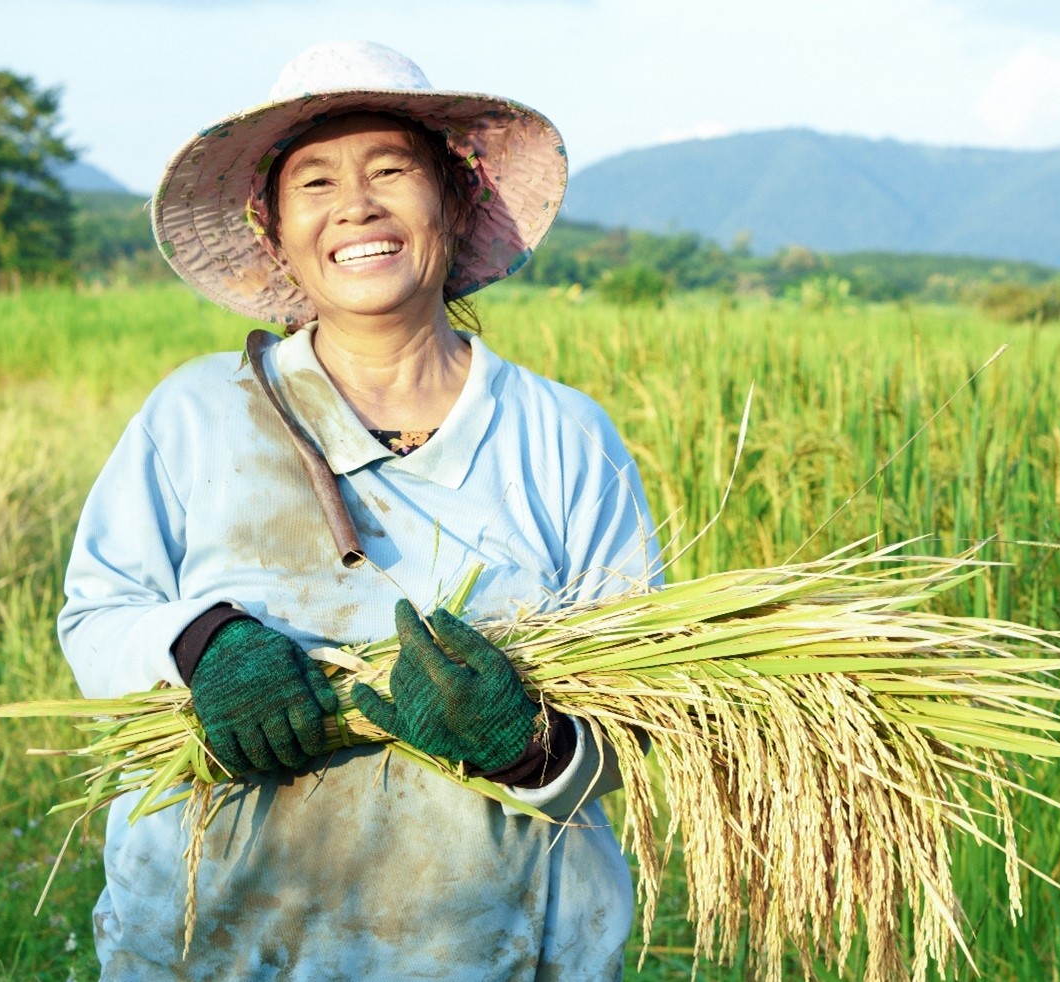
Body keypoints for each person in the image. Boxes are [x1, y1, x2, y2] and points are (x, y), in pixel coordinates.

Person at [57, 40, 661, 979]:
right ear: (275, 228)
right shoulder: (198, 415)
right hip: (220, 939)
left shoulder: (562, 436)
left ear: (453, 206)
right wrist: (203, 645)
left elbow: (640, 715)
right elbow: (96, 621)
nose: (357, 206)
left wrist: (522, 745)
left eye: (391, 170)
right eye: (315, 182)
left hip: (492, 945)